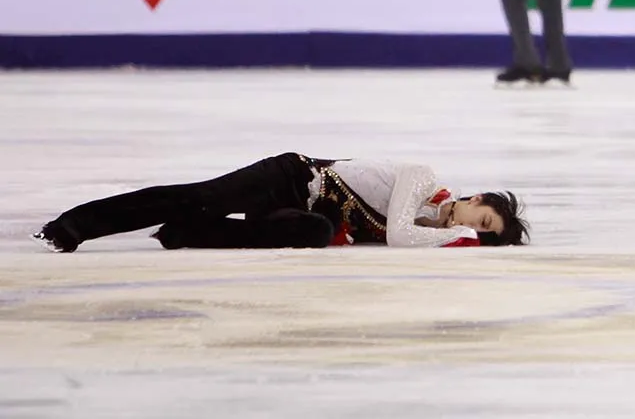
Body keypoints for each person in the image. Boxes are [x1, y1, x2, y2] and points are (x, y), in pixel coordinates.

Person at [32, 152, 528, 252]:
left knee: (311, 233)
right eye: (480, 221)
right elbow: (398, 234)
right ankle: (74, 225)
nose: (472, 230)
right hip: (287, 177)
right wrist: (457, 237)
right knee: (197, 197)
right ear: (475, 198)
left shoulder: (428, 227)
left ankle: (188, 233)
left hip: (302, 211)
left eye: (481, 235)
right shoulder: (424, 179)